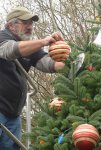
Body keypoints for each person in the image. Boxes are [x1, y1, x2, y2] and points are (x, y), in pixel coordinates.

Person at [0, 6, 70, 150]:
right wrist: (44, 41)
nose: (30, 27)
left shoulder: (31, 49)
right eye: (25, 22)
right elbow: (9, 50)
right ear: (11, 25)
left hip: (14, 114)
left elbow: (49, 64)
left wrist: (69, 58)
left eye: (31, 23)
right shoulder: (2, 37)